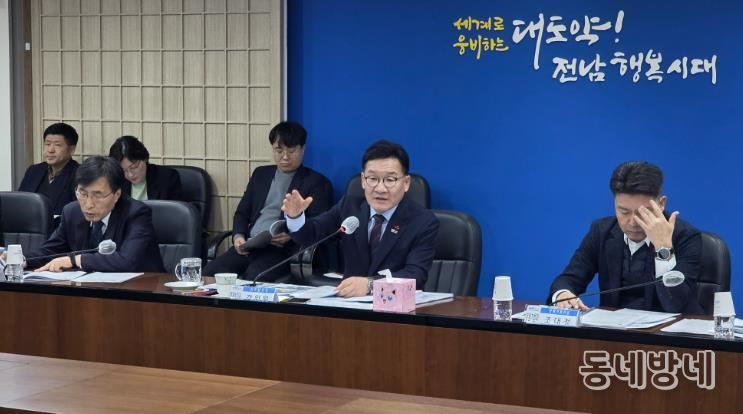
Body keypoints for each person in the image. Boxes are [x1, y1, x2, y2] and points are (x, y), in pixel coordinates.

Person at [283, 140, 439, 298]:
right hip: (349, 303)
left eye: (390, 180)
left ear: (405, 183)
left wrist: (370, 285)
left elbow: (415, 275)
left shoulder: (422, 221)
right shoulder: (349, 208)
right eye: (372, 179)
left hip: (395, 306)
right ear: (363, 180)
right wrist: (295, 217)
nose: (380, 188)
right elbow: (311, 234)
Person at [548, 161, 704, 314]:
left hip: (666, 330)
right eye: (624, 212)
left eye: (643, 212)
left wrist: (663, 247)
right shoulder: (602, 231)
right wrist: (563, 293)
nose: (633, 222)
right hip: (611, 329)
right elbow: (568, 279)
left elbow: (678, 304)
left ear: (661, 204)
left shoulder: (685, 237)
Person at [203, 121, 333, 281]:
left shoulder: (316, 182)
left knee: (254, 278)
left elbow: (319, 223)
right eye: (279, 150)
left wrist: (292, 235)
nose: (285, 157)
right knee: (209, 273)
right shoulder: (261, 174)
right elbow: (242, 212)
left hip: (281, 250)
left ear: (303, 149)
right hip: (249, 246)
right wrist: (238, 236)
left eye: (291, 151)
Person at [26, 156, 165, 273]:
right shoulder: (72, 212)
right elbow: (50, 251)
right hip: (90, 290)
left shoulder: (136, 214)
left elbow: (127, 261)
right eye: (83, 193)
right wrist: (21, 260)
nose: (88, 204)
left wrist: (75, 260)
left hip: (141, 290)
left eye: (97, 195)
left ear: (117, 194)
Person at [18, 122, 79, 217]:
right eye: (47, 144)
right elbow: (20, 201)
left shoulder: (80, 174)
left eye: (57, 145)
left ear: (71, 150)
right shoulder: (33, 170)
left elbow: (77, 212)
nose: (50, 150)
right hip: (28, 223)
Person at [108, 135, 183, 201]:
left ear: (144, 158)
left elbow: (174, 210)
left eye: (134, 167)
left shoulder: (168, 178)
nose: (130, 174)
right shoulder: (115, 181)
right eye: (123, 170)